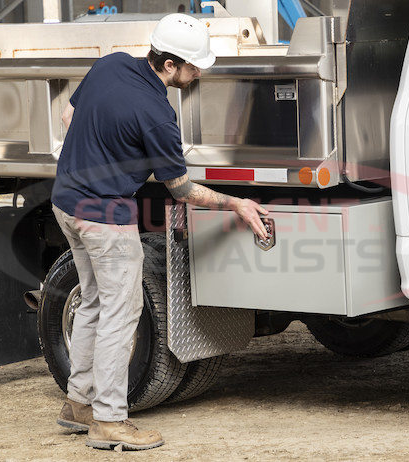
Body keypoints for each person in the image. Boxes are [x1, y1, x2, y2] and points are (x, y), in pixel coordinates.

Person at [51, 13, 269, 451]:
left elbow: (68, 117)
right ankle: (110, 421)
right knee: (121, 313)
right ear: (169, 64)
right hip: (105, 219)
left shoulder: (109, 64)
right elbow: (182, 190)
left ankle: (79, 404)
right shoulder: (157, 114)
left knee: (93, 301)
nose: (198, 73)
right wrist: (237, 203)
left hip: (65, 203)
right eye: (193, 66)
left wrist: (103, 154)